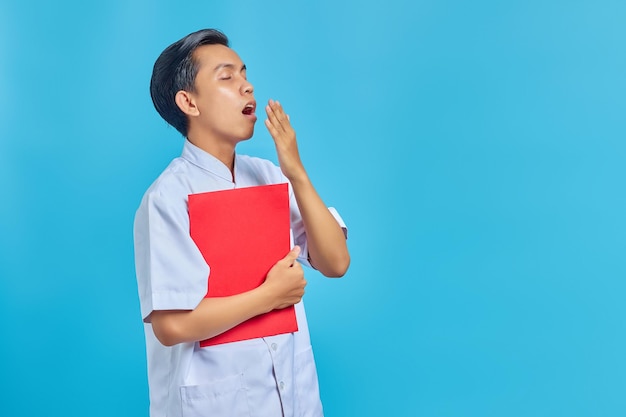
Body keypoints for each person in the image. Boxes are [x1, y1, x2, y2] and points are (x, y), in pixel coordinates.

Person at [133, 28, 350, 417]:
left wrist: (296, 172)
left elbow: (335, 263)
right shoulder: (167, 198)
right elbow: (170, 325)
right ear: (189, 102)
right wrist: (269, 296)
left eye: (245, 74)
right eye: (227, 77)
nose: (247, 86)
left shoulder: (269, 175)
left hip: (295, 397)